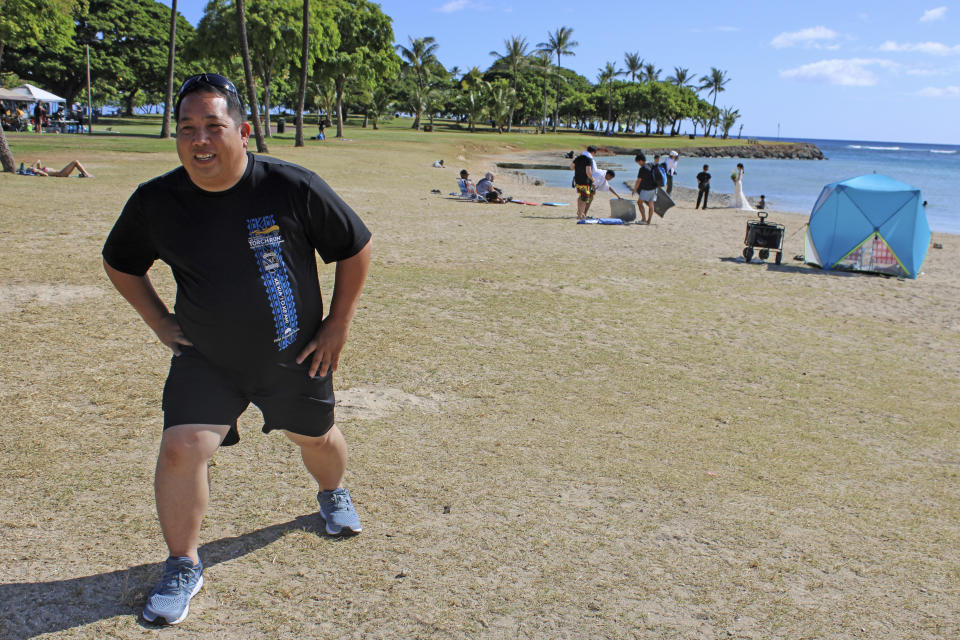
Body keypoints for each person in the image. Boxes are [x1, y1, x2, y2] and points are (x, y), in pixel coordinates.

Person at [101, 73, 372, 626]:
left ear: (243, 131)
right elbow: (121, 261)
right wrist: (158, 320)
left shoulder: (290, 186)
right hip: (207, 357)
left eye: (212, 127)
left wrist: (337, 325)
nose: (199, 140)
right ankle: (183, 564)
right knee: (181, 447)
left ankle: (333, 492)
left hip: (294, 354)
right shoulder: (157, 200)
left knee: (314, 437)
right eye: (186, 129)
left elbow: (355, 247)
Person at [570, 145, 599, 220]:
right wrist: (593, 179)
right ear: (593, 152)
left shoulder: (578, 158)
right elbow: (588, 172)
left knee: (580, 197)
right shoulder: (588, 159)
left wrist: (579, 170)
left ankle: (580, 214)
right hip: (585, 182)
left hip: (577, 180)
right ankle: (580, 216)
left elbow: (571, 167)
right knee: (584, 199)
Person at [630, 153, 658, 224]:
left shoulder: (642, 169)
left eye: (638, 162)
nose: (638, 164)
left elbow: (638, 181)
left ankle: (644, 219)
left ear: (641, 161)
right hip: (654, 188)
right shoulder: (652, 164)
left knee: (639, 203)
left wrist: (634, 190)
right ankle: (648, 221)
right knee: (651, 205)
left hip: (647, 189)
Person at [26, 159, 94, 177]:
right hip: (61, 174)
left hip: (62, 172)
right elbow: (46, 175)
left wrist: (32, 166)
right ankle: (86, 174)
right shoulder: (40, 172)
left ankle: (85, 174)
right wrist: (37, 171)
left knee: (75, 162)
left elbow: (38, 160)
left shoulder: (39, 168)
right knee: (75, 162)